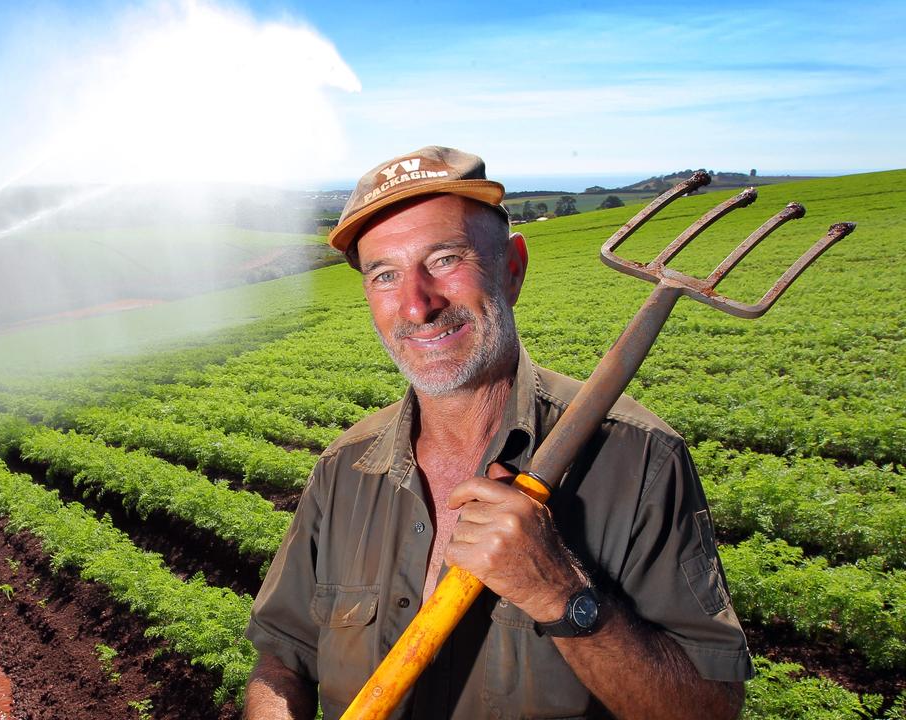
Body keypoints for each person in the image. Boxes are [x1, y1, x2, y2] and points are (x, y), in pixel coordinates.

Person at [243, 146, 751, 719]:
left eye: (443, 260)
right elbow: (282, 656)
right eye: (385, 275)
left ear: (512, 269)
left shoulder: (639, 458)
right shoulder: (345, 467)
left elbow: (708, 710)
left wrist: (560, 593)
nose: (416, 306)